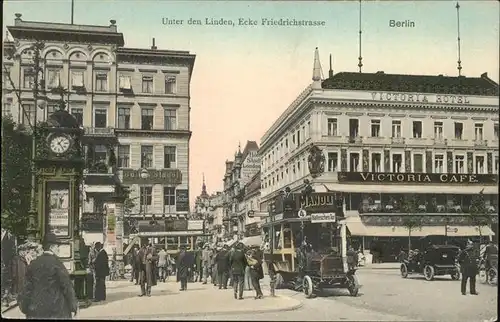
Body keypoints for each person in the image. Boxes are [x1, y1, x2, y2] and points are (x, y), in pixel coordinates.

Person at [18, 233, 78, 319]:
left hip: (36, 310)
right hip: (57, 310)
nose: (58, 249)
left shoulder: (33, 264)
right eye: (57, 247)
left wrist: (24, 307)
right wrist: (73, 307)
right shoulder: (57, 264)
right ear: (52, 247)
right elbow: (67, 286)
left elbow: (27, 288)